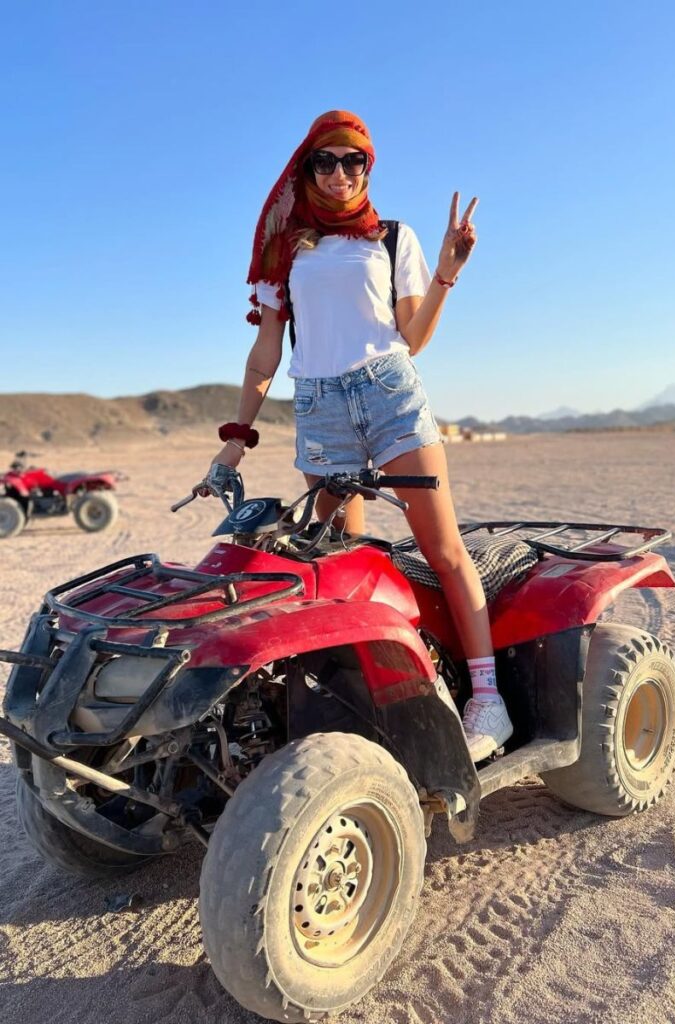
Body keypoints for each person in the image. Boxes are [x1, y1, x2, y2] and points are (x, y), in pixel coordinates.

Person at [204, 109, 512, 761]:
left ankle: (488, 699)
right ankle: (370, 696)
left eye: (354, 161)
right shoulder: (286, 250)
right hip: (318, 407)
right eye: (326, 161)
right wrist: (236, 438)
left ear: (367, 168)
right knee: (340, 557)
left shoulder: (392, 238)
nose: (340, 173)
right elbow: (264, 355)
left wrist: (448, 272)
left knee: (440, 546)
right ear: (306, 168)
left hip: (388, 392)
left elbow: (414, 337)